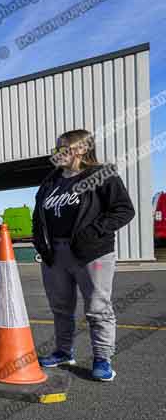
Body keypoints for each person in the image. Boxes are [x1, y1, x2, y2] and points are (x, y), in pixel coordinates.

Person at [33, 129, 135, 381]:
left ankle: (102, 359)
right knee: (60, 307)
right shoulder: (51, 181)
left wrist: (94, 232)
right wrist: (40, 243)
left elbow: (123, 210)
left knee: (98, 309)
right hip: (55, 254)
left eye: (61, 148)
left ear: (79, 149)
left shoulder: (102, 175)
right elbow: (38, 215)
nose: (55, 153)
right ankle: (63, 351)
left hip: (91, 253)